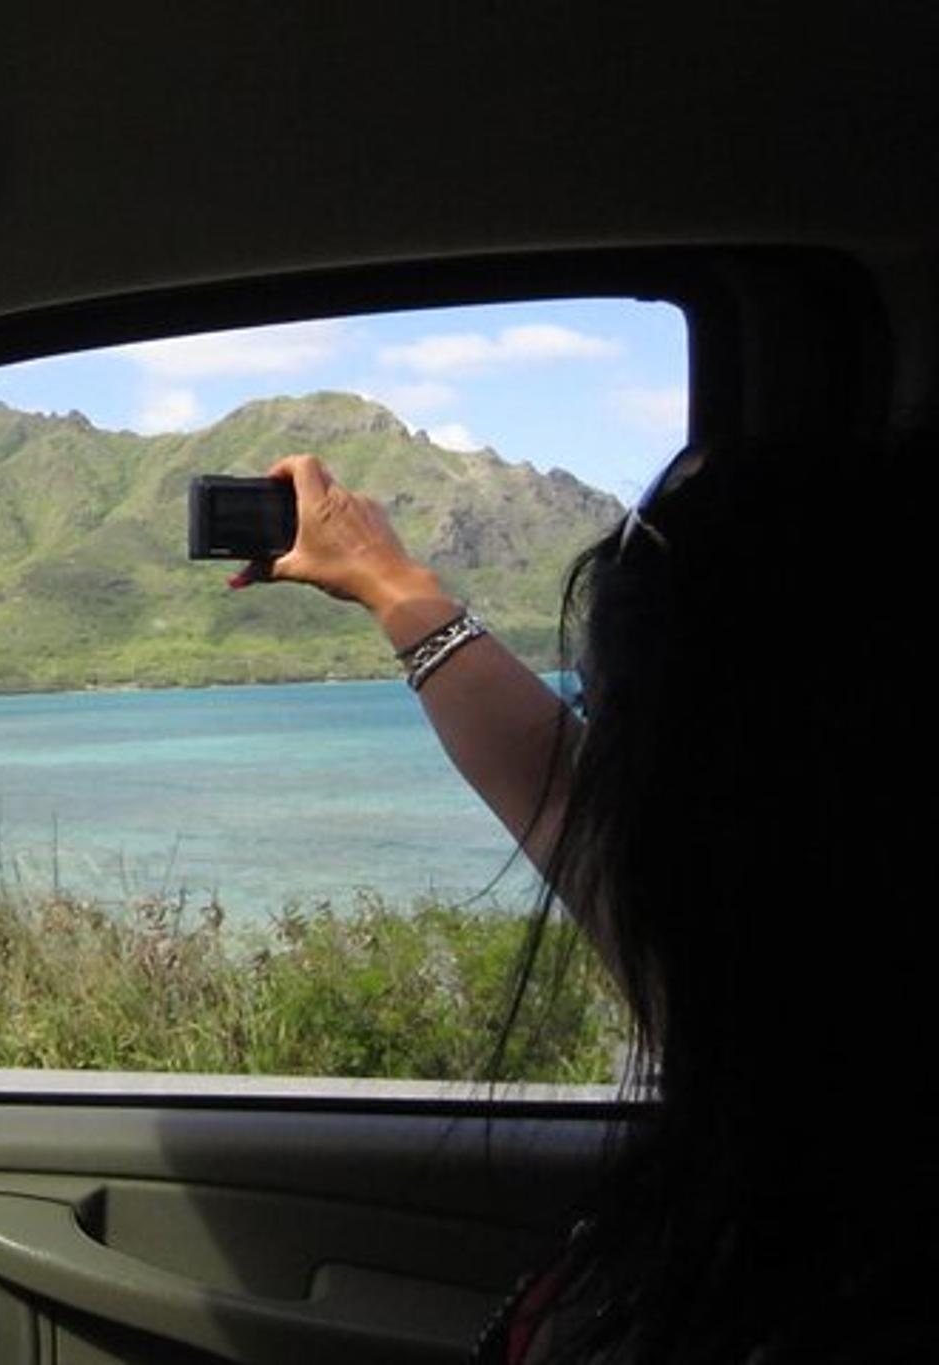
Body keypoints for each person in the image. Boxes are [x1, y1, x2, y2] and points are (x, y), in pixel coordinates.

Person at [249, 437, 934, 1362]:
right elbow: (565, 793)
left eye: (612, 723)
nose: (597, 767)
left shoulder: (794, 1176)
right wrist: (385, 576)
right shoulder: (790, 1025)